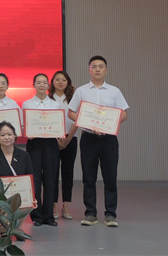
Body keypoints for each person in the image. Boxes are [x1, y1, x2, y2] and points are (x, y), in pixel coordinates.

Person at [67, 56, 129, 228]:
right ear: (89, 70)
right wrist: (86, 122)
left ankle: (110, 214)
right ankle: (90, 213)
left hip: (109, 139)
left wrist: (111, 123)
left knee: (110, 177)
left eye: (101, 67)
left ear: (106, 70)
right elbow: (70, 112)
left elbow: (124, 113)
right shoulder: (81, 91)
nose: (97, 69)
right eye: (94, 66)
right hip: (88, 138)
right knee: (89, 177)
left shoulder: (114, 91)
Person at [22, 74, 61, 226]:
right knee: (35, 179)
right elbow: (23, 124)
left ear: (48, 85)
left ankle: (49, 216)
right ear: (34, 85)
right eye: (38, 82)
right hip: (34, 143)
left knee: (51, 179)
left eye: (45, 82)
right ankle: (37, 216)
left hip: (51, 144)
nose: (42, 85)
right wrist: (27, 132)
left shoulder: (55, 105)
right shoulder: (27, 104)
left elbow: (58, 124)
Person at [0, 121, 36, 213]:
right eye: (2, 135)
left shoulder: (24, 155)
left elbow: (31, 178)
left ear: (15, 136)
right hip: (0, 204)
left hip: (21, 200)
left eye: (10, 134)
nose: (6, 137)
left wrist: (32, 197)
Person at [50, 70, 77, 220]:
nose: (60, 82)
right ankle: (54, 204)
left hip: (70, 138)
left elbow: (77, 120)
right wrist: (57, 139)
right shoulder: (48, 99)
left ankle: (66, 204)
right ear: (53, 82)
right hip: (52, 140)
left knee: (68, 172)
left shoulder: (73, 99)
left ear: (68, 83)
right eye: (57, 79)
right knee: (52, 172)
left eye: (63, 80)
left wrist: (67, 140)